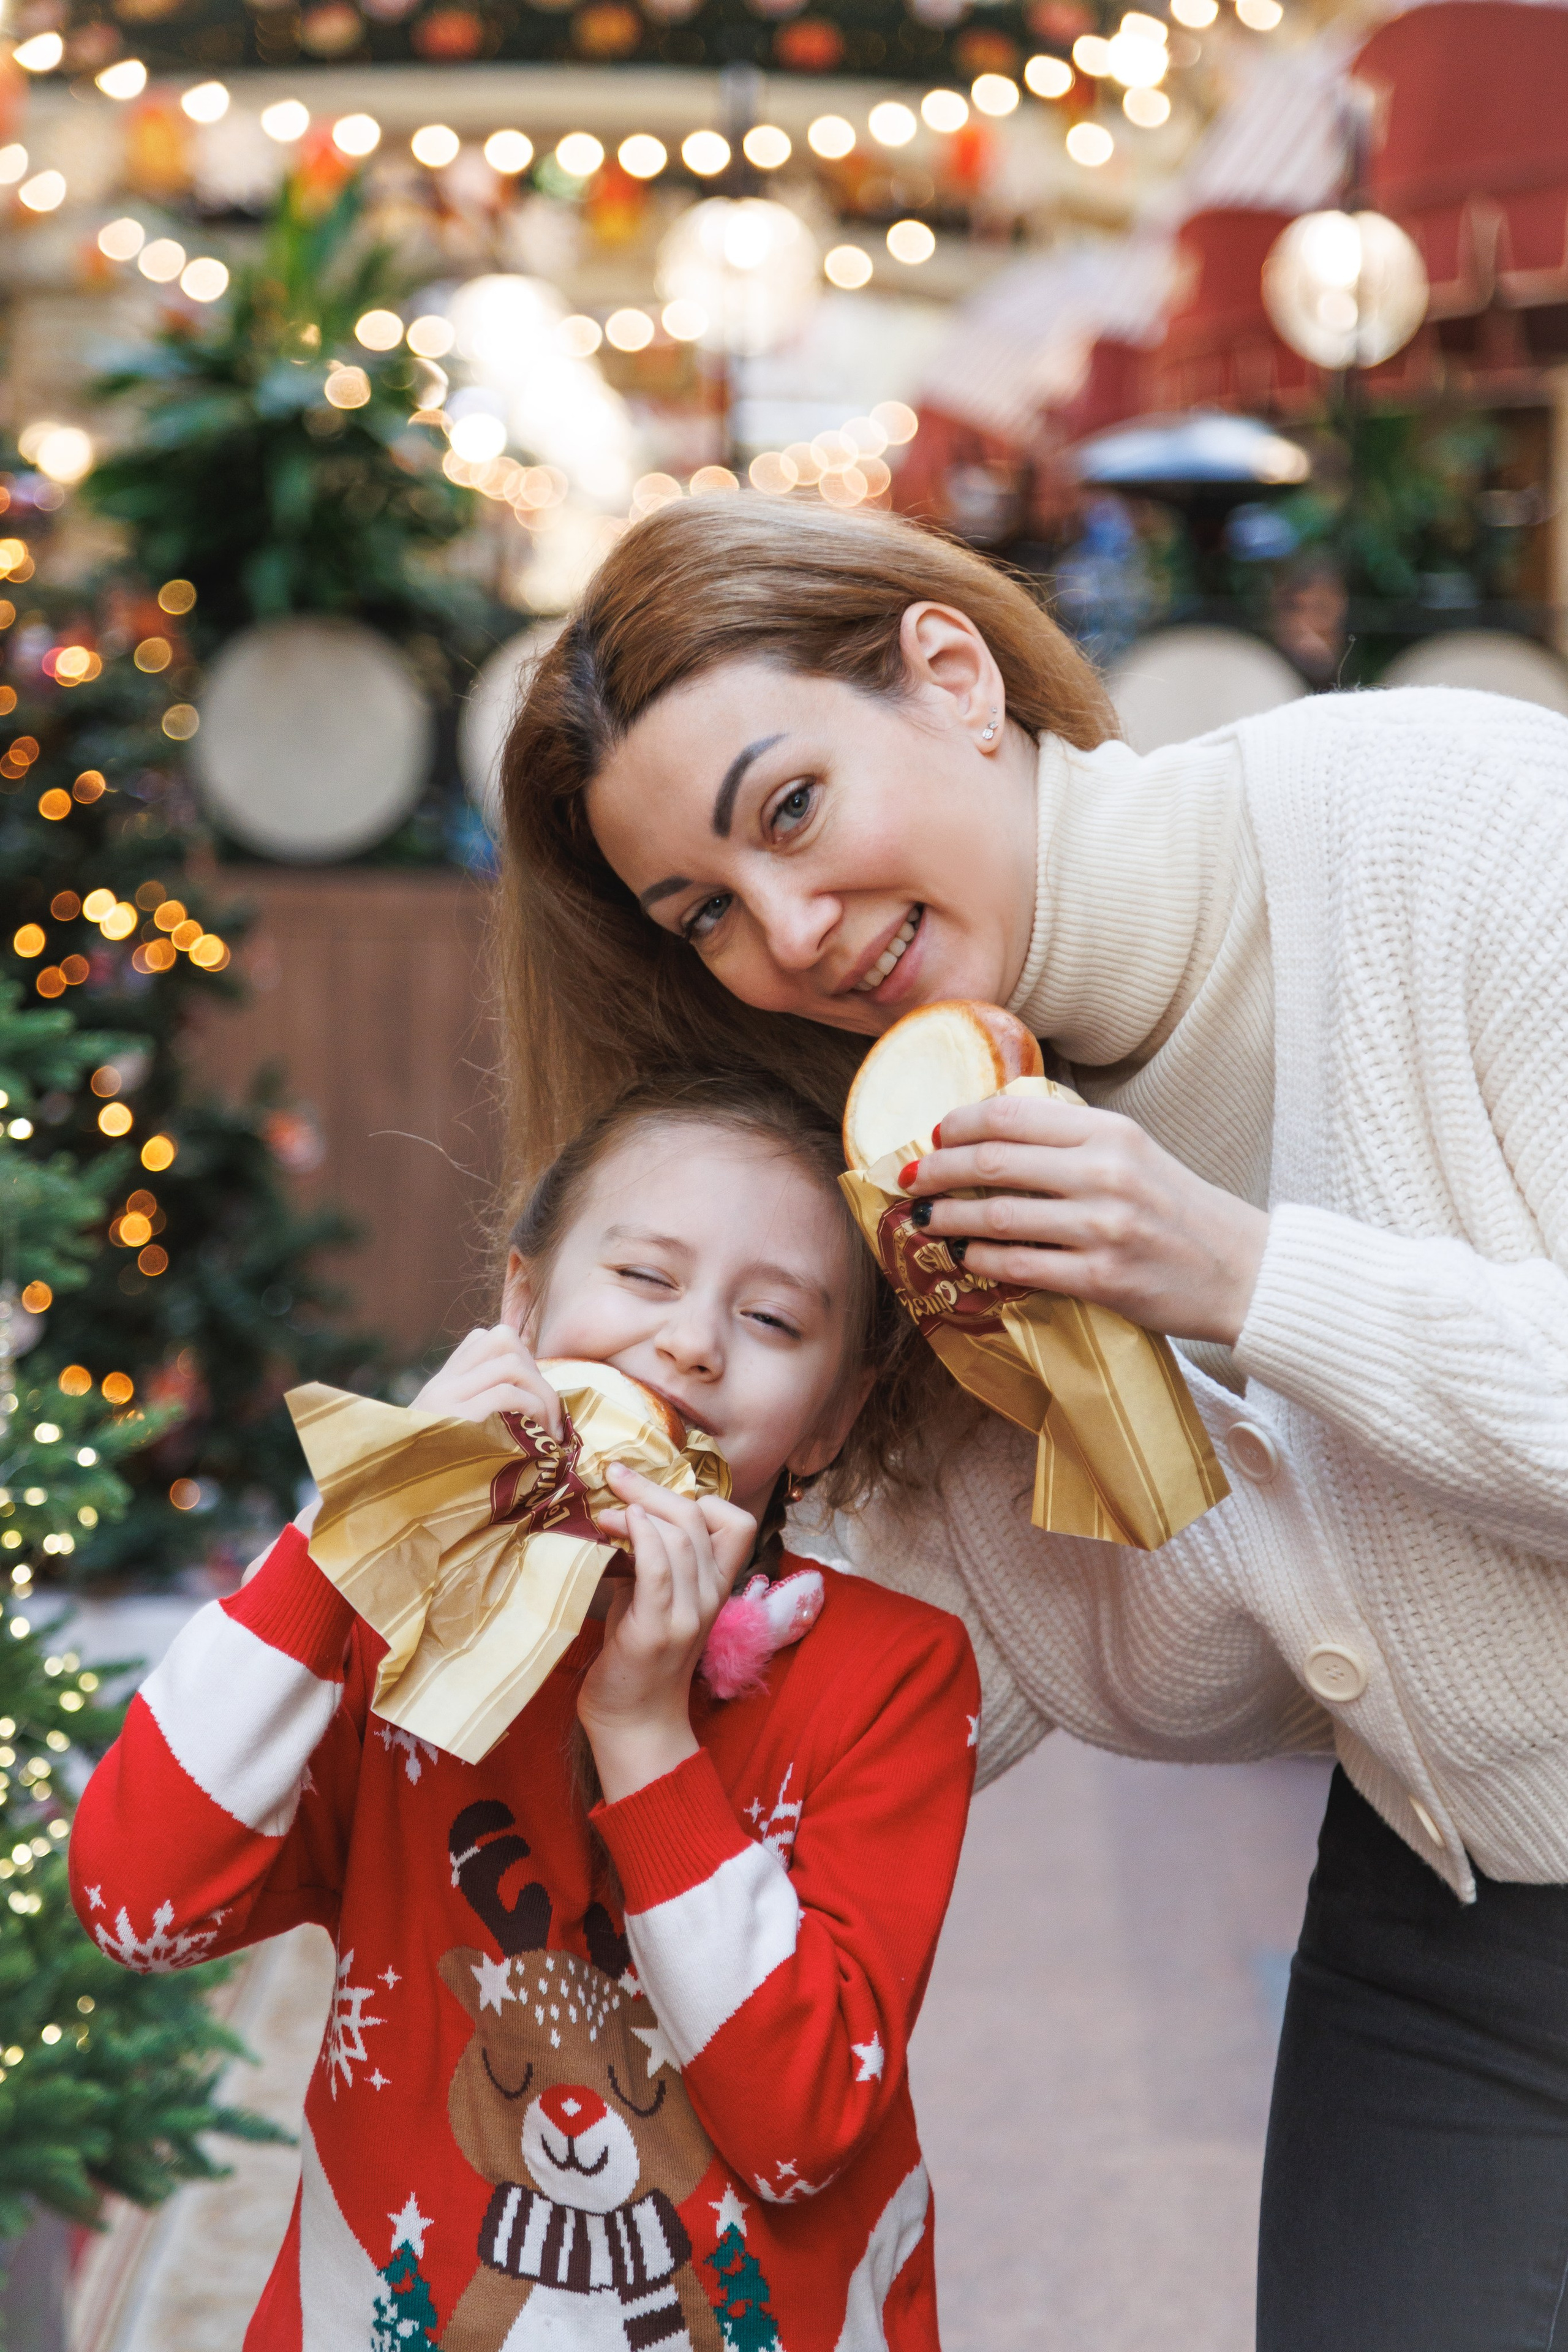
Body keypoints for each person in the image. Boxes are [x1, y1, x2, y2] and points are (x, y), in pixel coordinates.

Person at [499, 496, 1568, 2351]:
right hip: (1458, 1906)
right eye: (708, 916)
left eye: (793, 810)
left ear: (951, 673)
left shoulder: (1459, 820)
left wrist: (1234, 1275)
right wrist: (506, 1582)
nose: (792, 934)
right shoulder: (910, 1176)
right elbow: (943, 1700)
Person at [70, 1071, 978, 2352]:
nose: (690, 1346)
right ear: (520, 1308)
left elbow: (800, 2133)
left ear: (828, 1419)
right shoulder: (392, 1618)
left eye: (770, 1320)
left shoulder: (891, 1672)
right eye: (646, 1280)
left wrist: (643, 1730)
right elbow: (134, 1902)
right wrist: (357, 1533)